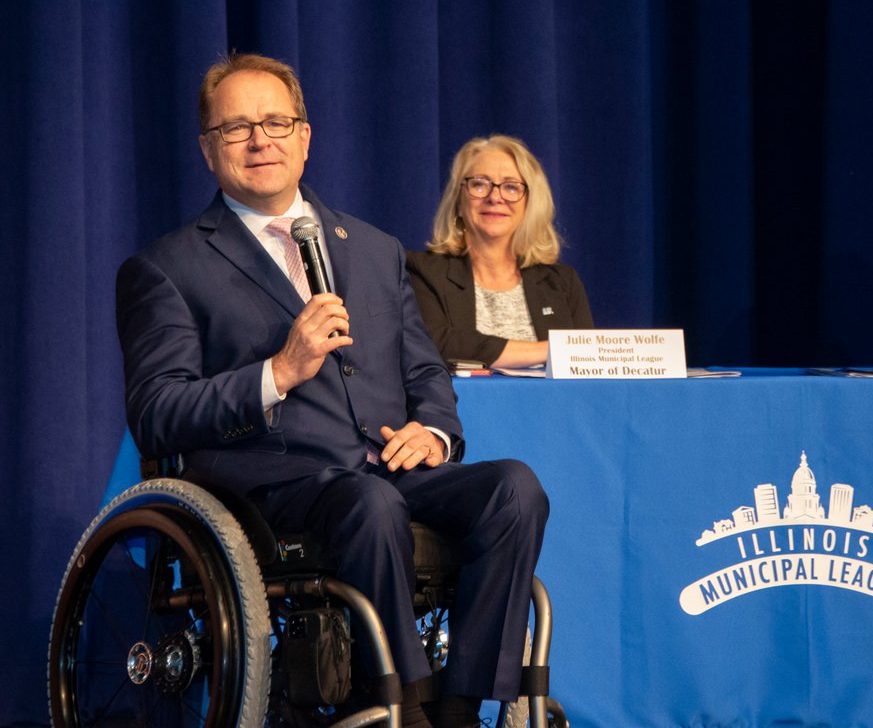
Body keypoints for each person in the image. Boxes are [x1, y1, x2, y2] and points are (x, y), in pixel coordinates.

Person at [115, 53, 547, 728]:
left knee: (514, 488)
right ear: (208, 150)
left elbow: (426, 373)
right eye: (237, 129)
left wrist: (429, 431)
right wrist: (278, 372)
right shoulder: (167, 268)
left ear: (306, 137)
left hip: (385, 468)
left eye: (277, 122)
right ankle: (403, 704)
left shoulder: (374, 250)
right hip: (273, 487)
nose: (261, 140)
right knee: (369, 503)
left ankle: (462, 706)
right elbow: (157, 412)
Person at [406, 135, 593, 369]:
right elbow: (437, 343)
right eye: (479, 184)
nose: (495, 197)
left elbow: (586, 364)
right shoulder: (423, 272)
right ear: (458, 202)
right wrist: (552, 350)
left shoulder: (562, 283)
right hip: (461, 405)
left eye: (511, 187)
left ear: (530, 205)